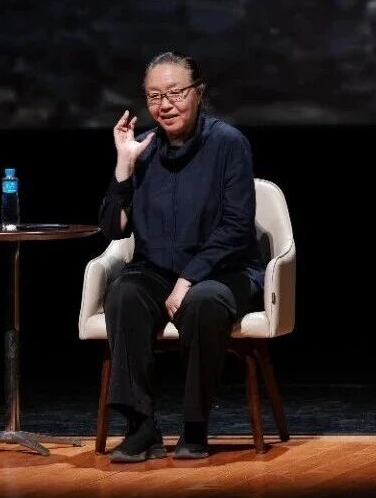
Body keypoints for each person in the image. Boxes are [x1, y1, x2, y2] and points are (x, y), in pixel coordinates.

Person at [99, 51, 265, 462]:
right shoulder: (144, 150)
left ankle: (195, 426)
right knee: (123, 294)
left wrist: (188, 279)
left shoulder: (228, 143)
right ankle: (141, 427)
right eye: (155, 96)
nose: (165, 105)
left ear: (198, 93)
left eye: (175, 93)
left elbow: (236, 227)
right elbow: (114, 229)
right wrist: (123, 164)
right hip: (157, 270)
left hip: (223, 271)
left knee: (204, 302)